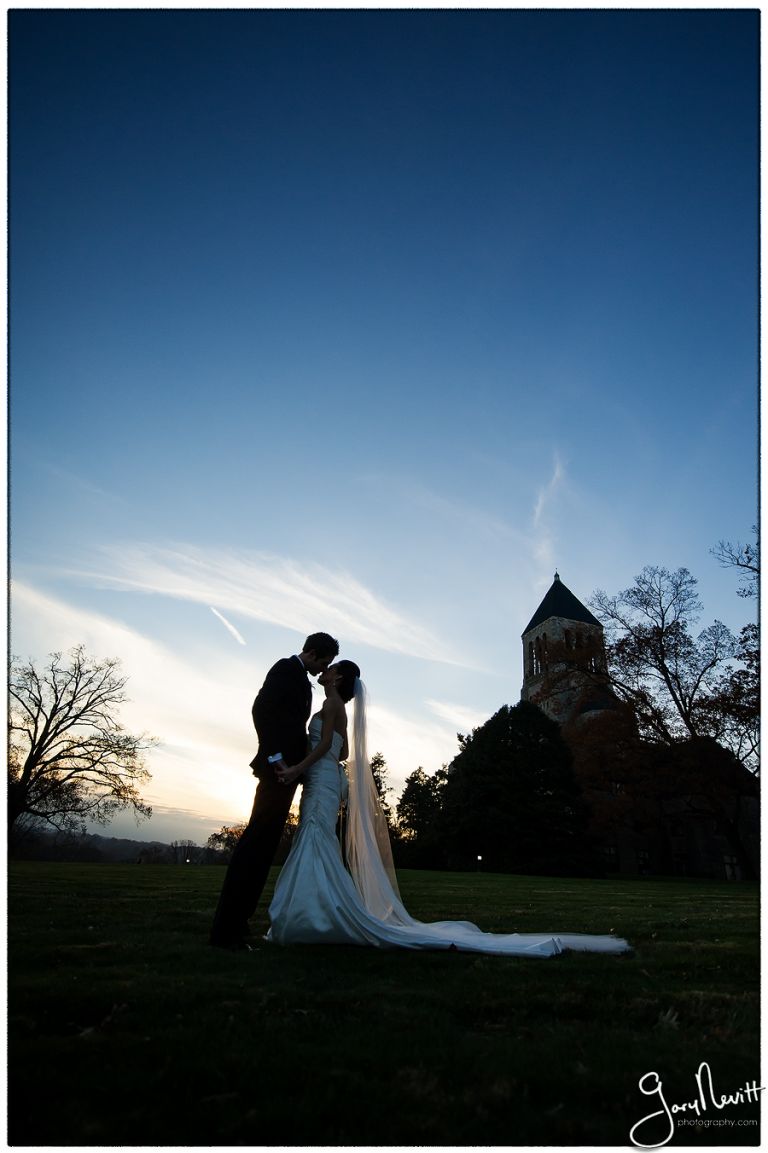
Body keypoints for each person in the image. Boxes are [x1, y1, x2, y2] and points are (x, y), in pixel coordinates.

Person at [268, 662, 631, 957]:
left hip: (321, 778)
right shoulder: (339, 709)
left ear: (338, 677)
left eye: (330, 669)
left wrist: (300, 767)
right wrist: (321, 758)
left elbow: (333, 748)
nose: (325, 671)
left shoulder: (331, 706)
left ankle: (313, 915)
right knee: (318, 839)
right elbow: (343, 753)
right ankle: (317, 912)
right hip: (329, 778)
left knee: (316, 837)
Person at [209, 632, 340, 950]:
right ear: (310, 653)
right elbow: (262, 712)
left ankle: (236, 926)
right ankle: (227, 931)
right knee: (256, 846)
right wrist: (277, 758)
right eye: (324, 661)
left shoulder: (300, 678)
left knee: (263, 848)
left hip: (288, 773)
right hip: (277, 771)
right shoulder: (285, 669)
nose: (324, 668)